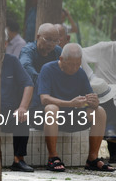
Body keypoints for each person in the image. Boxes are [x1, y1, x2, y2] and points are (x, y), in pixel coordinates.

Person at [30, 43, 113, 172]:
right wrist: (70, 103)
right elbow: (44, 99)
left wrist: (94, 102)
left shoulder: (80, 73)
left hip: (70, 115)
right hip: (44, 116)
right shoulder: (48, 69)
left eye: (77, 64)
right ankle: (53, 157)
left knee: (100, 112)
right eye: (71, 64)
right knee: (52, 109)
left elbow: (89, 97)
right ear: (62, 59)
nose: (75, 68)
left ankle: (92, 159)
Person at [1, 31, 34, 172]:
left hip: (8, 113)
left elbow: (28, 84)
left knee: (22, 118)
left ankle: (18, 159)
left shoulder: (12, 61)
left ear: (5, 44)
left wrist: (22, 107)